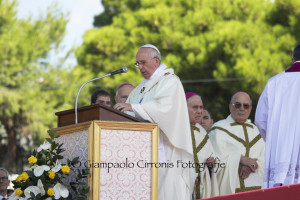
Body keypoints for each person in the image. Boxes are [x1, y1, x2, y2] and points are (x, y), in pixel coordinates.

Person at [114, 44, 197, 200]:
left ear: (156, 61)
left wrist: (133, 107)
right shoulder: (139, 88)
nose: (140, 67)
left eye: (143, 62)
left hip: (166, 151)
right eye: (137, 63)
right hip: (140, 154)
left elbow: (165, 109)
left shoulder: (170, 81)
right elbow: (129, 114)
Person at [255, 44, 300, 188]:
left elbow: (260, 120)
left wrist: (275, 141)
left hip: (280, 156)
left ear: (292, 60)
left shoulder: (274, 82)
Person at [209, 91, 265, 195]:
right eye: (237, 105)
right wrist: (240, 159)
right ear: (230, 107)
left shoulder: (257, 131)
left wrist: (251, 165)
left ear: (250, 109)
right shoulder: (218, 130)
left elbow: (266, 157)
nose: (242, 108)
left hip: (258, 190)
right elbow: (214, 160)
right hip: (231, 192)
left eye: (246, 106)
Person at [186, 92, 219, 199]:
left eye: (201, 107)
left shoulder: (201, 132)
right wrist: (188, 177)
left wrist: (212, 162)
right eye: (195, 107)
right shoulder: (175, 129)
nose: (200, 111)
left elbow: (211, 156)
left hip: (201, 189)